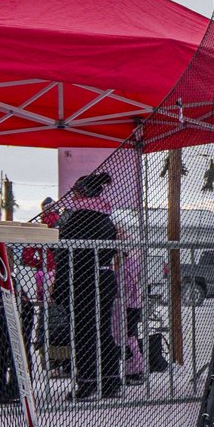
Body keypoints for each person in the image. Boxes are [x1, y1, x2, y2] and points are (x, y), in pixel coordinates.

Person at [59, 169, 123, 398]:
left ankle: (87, 382)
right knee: (103, 331)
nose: (73, 197)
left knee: (84, 332)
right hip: (104, 280)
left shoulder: (80, 217)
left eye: (75, 192)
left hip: (84, 281)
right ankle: (110, 381)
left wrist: (60, 286)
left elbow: (65, 252)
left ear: (84, 193)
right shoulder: (106, 217)